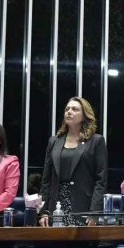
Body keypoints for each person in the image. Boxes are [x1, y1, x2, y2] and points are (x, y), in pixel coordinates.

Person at [38, 97, 108, 227]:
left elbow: (101, 180)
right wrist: (43, 212)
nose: (69, 112)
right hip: (56, 206)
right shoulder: (54, 141)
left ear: (84, 115)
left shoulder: (96, 141)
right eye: (67, 109)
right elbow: (46, 180)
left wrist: (95, 212)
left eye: (75, 109)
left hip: (84, 207)